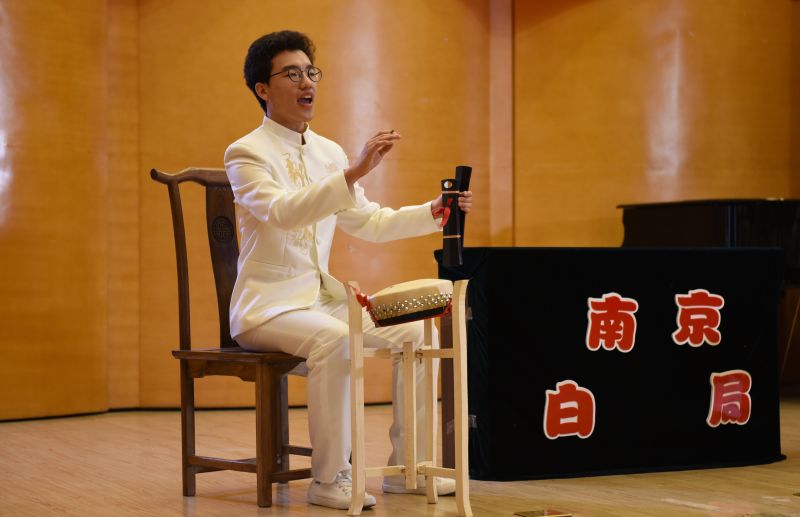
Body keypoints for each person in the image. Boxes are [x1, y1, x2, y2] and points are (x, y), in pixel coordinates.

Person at [225, 30, 473, 510]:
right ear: (262, 88)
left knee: (416, 334)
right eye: (292, 73)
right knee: (335, 341)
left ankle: (409, 469)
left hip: (319, 302)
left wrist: (432, 211)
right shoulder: (246, 152)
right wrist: (354, 173)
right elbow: (281, 212)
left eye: (310, 72)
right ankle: (330, 479)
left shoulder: (329, 153)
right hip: (266, 308)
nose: (307, 82)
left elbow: (369, 222)